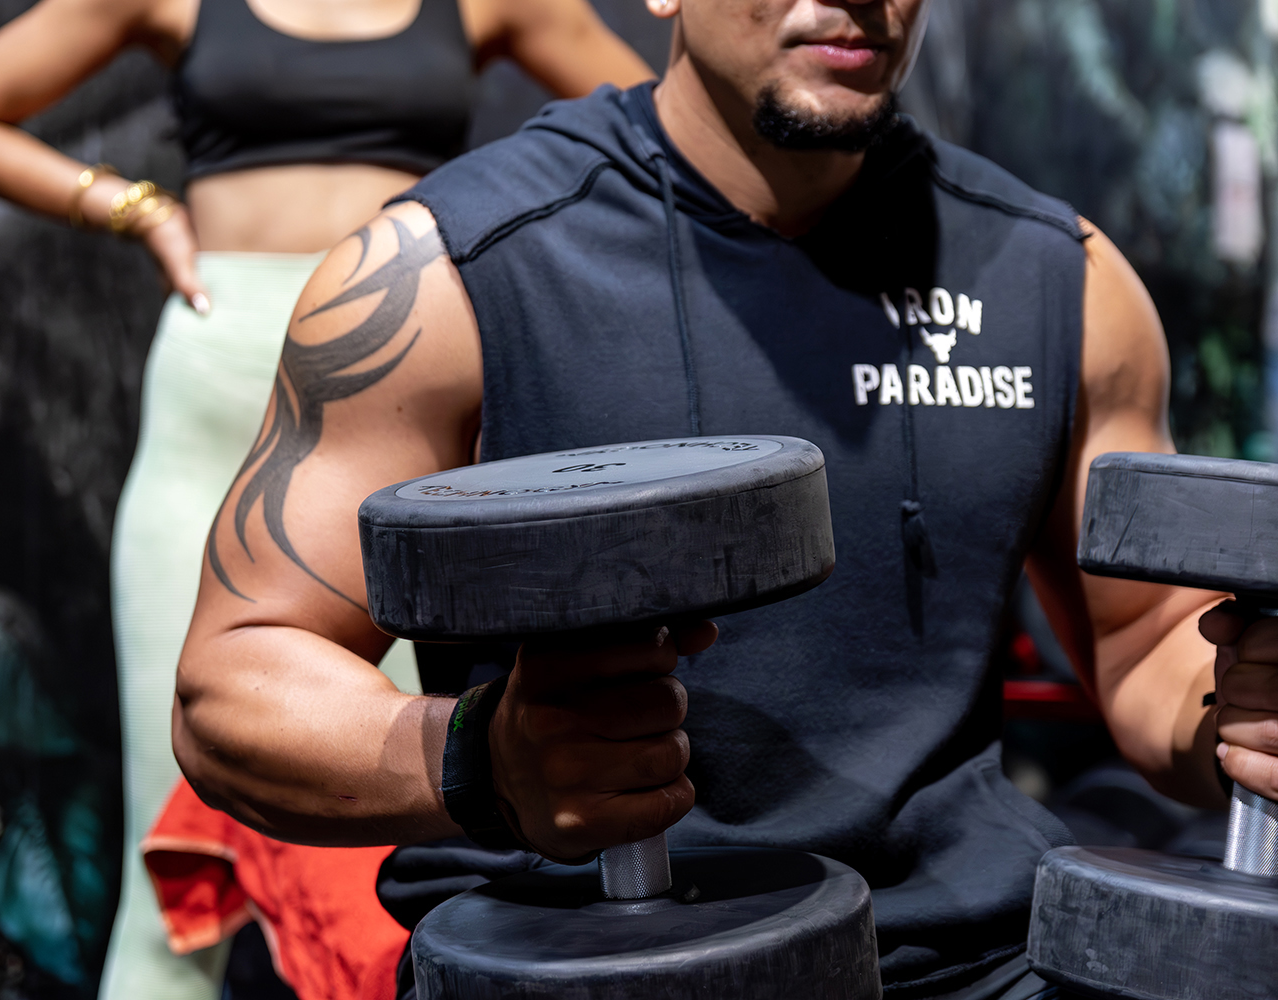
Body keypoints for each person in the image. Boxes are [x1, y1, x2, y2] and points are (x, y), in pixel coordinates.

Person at [171, 0, 1278, 996]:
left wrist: (1248, 711)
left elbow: (1148, 643)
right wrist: (483, 760)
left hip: (967, 967)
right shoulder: (447, 274)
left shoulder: (1060, 279)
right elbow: (234, 686)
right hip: (580, 966)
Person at [0, 1, 654, 998]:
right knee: (167, 864)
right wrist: (135, 208)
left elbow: (654, 131)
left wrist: (516, 257)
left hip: (397, 411)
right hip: (210, 399)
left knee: (394, 839)